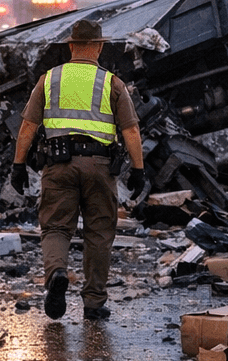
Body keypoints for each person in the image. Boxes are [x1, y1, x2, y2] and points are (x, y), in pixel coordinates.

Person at [11, 18, 145, 321]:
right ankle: (94, 303)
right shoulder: (112, 83)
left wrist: (18, 166)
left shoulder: (48, 80)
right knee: (99, 232)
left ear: (71, 46)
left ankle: (57, 273)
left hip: (58, 166)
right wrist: (138, 169)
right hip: (100, 167)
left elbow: (27, 128)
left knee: (56, 227)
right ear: (98, 47)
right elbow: (131, 132)